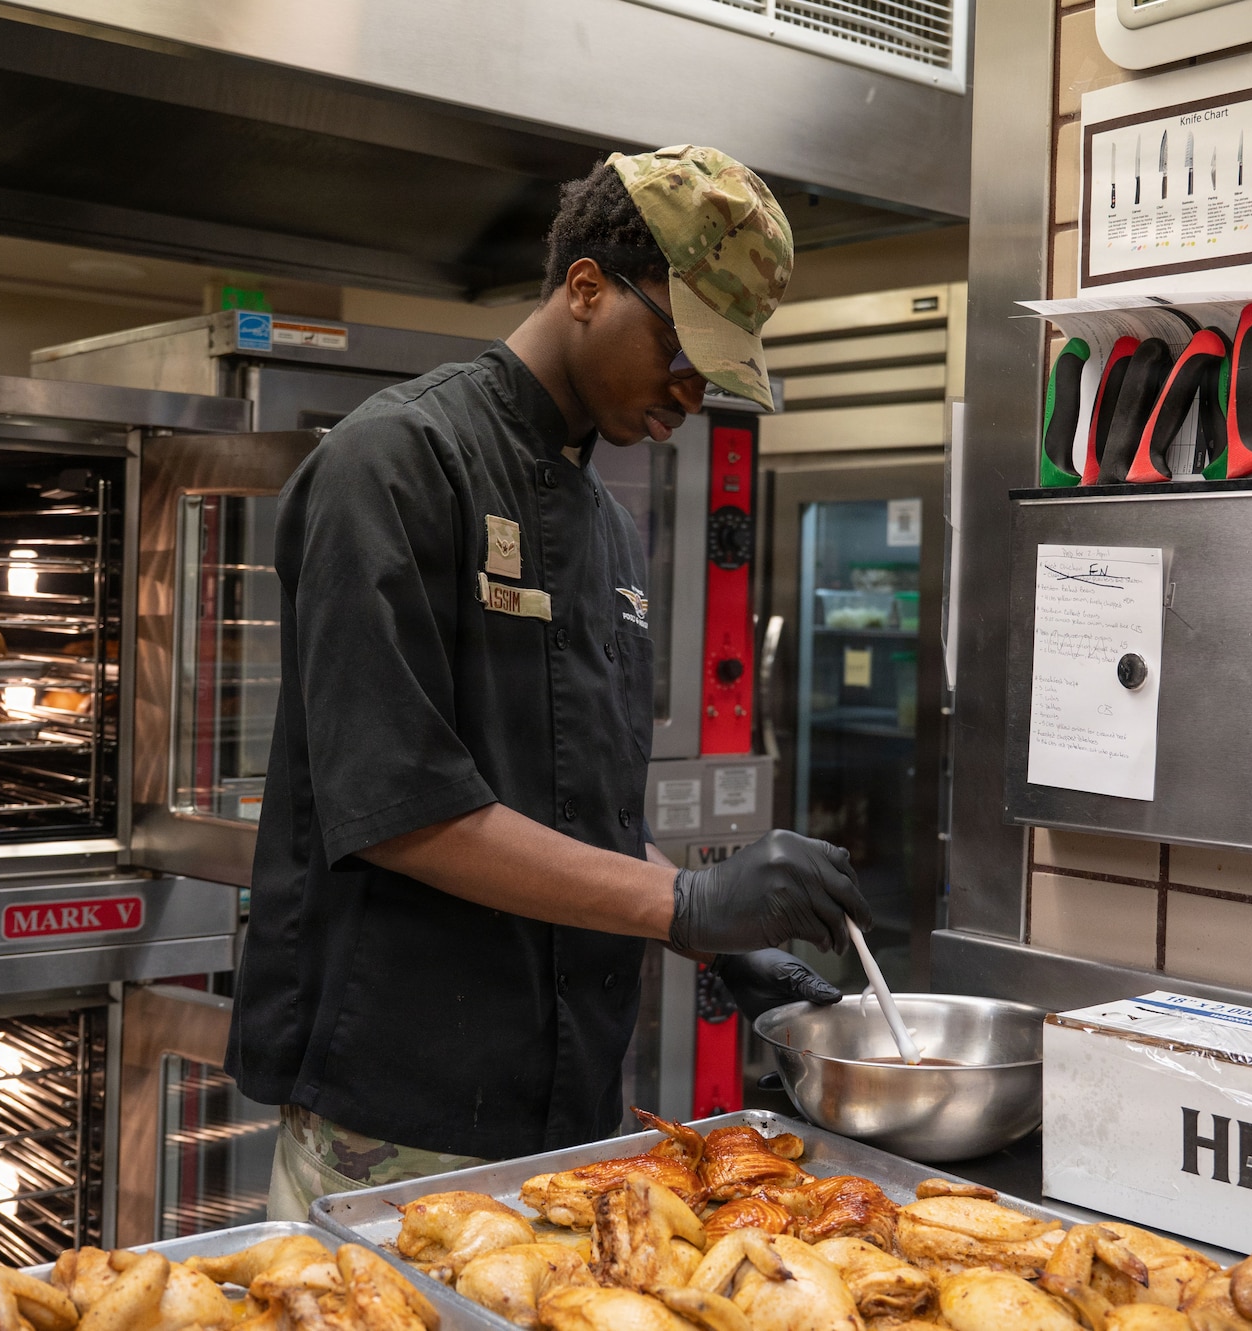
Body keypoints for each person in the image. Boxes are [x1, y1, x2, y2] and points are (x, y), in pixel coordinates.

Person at [225, 145, 869, 1219]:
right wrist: (684, 897)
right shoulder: (395, 464)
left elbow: (578, 811)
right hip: (397, 1118)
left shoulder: (607, 529)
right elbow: (399, 809)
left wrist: (704, 930)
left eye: (717, 364)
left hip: (572, 1107)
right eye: (681, 344)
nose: (693, 388)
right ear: (585, 287)